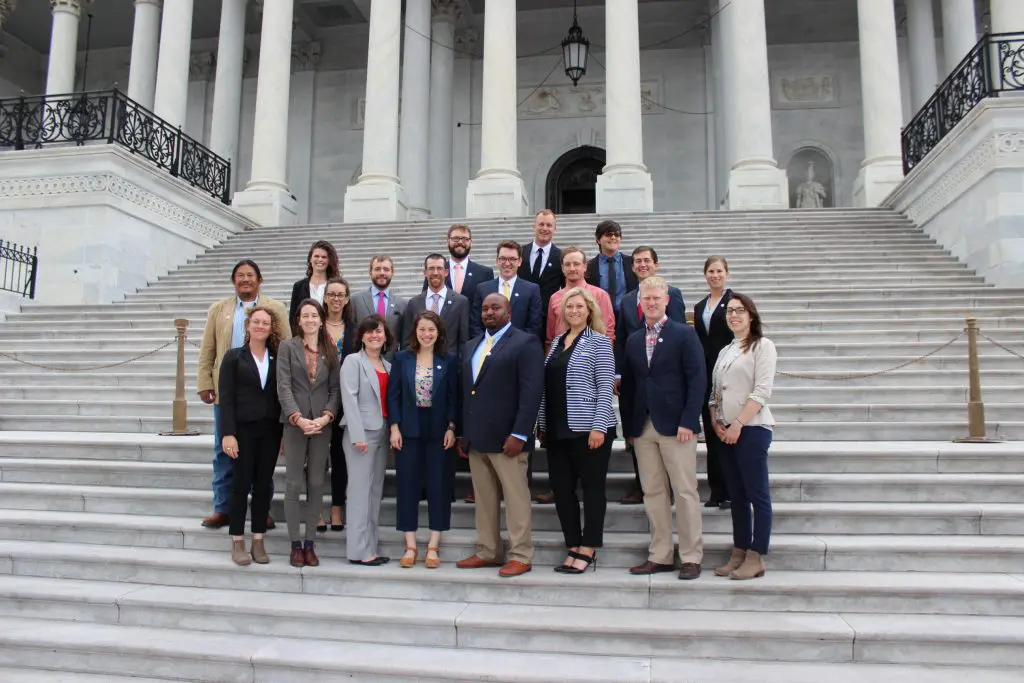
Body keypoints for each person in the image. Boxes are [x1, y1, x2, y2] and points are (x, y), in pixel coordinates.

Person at [619, 276, 706, 580]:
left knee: (684, 492)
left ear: (667, 300)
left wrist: (688, 420)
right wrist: (629, 427)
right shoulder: (632, 340)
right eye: (647, 299)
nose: (652, 303)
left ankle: (691, 556)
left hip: (676, 427)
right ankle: (660, 554)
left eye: (657, 298)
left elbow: (697, 381)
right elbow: (629, 386)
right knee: (653, 492)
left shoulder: (684, 335)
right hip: (643, 428)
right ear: (640, 303)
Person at [196, 259, 289, 530]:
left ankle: (262, 509)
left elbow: (285, 350)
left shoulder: (276, 309)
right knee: (223, 450)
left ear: (259, 280)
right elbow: (208, 348)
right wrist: (204, 381)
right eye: (240, 276)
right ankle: (223, 507)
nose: (245, 280)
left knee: (263, 455)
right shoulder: (219, 310)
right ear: (233, 281)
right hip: (228, 390)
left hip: (262, 390)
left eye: (250, 275)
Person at [456, 293, 544, 578]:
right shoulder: (472, 345)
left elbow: (531, 393)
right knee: (484, 499)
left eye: (496, 307)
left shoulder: (525, 342)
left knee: (516, 498)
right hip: (477, 438)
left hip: (509, 440)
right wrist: (463, 433)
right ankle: (488, 551)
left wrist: (520, 432)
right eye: (484, 308)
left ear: (509, 311)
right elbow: (468, 394)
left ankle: (520, 554)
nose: (489, 312)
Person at [537, 288, 616, 575]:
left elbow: (606, 387)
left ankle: (589, 545)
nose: (573, 311)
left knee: (592, 489)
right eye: (568, 307)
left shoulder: (599, 342)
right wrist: (542, 424)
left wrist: (598, 426)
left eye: (579, 306)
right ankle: (573, 543)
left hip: (589, 430)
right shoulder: (557, 341)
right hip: (558, 429)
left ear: (589, 310)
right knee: (562, 489)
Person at [709, 293, 777, 581]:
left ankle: (756, 555)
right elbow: (715, 393)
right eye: (730, 311)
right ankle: (739, 550)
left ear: (751, 315)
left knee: (756, 494)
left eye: (739, 310)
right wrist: (716, 422)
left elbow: (761, 391)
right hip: (726, 431)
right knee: (736, 495)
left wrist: (738, 423)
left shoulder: (762, 346)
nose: (734, 315)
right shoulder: (726, 350)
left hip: (752, 429)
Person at [615, 246, 687, 505]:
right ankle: (641, 484)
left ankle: (667, 485)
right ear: (632, 268)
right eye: (637, 262)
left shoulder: (672, 295)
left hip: (664, 379)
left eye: (647, 260)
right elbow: (622, 339)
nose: (642, 265)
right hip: (635, 379)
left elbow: (677, 333)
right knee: (637, 429)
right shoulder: (626, 300)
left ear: (656, 264)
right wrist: (619, 372)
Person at [388, 311, 459, 569]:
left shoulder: (449, 360)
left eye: (431, 329)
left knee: (439, 486)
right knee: (407, 485)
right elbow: (393, 395)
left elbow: (453, 396)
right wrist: (394, 427)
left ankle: (432, 545)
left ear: (438, 332)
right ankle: (410, 546)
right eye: (422, 330)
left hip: (439, 430)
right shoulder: (401, 358)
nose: (426, 334)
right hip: (408, 429)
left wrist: (452, 426)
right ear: (415, 332)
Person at [218, 305, 284, 566]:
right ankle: (237, 539)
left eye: (265, 323)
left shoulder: (276, 357)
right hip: (242, 430)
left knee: (263, 485)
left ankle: (258, 538)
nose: (260, 327)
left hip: (269, 429)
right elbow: (226, 398)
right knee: (241, 484)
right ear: (247, 326)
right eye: (256, 322)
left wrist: (281, 435)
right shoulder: (234, 357)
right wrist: (228, 434)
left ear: (271, 328)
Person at [277, 299, 341, 568]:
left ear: (321, 318)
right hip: (295, 424)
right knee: (293, 485)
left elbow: (335, 389)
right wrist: (298, 418)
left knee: (316, 484)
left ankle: (310, 543)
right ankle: (295, 544)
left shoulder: (330, 348)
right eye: (306, 315)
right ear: (299, 320)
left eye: (315, 315)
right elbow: (283, 385)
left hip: (321, 426)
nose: (310, 319)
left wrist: (327, 416)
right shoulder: (287, 347)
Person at [340, 314, 395, 566]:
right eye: (370, 331)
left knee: (375, 492)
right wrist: (357, 435)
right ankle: (358, 551)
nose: (375, 335)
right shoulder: (353, 362)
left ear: (386, 336)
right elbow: (349, 399)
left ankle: (370, 546)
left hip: (382, 432)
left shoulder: (388, 365)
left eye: (380, 331)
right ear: (361, 336)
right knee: (360, 492)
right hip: (361, 435)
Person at [694, 256, 734, 510]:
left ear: (726, 274)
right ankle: (716, 490)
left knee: (727, 432)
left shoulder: (735, 302)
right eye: (711, 271)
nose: (715, 275)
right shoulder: (700, 306)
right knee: (711, 433)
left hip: (729, 374)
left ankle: (731, 489)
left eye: (719, 271)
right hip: (707, 375)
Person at [324, 277, 358, 532]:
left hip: (346, 401)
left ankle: (337, 509)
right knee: (314, 459)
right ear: (325, 297)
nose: (336, 299)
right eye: (331, 294)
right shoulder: (313, 324)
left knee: (339, 457)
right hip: (317, 399)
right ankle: (315, 510)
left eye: (341, 295)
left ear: (347, 299)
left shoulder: (355, 330)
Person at [470, 240, 542, 339]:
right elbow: (475, 324)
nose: (507, 263)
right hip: (489, 347)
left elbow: (534, 325)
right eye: (503, 258)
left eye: (512, 259)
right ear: (497, 261)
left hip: (519, 349)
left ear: (520, 261)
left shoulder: (531, 289)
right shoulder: (482, 289)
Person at [405, 253, 470, 359]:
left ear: (446, 272)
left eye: (439, 268)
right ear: (425, 273)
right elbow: (407, 340)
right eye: (431, 269)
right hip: (420, 364)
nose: (435, 273)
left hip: (449, 366)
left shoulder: (461, 302)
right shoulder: (414, 303)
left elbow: (464, 341)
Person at [546, 247, 615, 345]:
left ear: (585, 266)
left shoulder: (600, 295)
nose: (572, 268)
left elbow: (608, 334)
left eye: (576, 264)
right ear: (562, 268)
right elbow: (550, 338)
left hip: (591, 355)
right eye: (567, 264)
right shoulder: (555, 298)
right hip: (560, 354)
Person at [518, 209, 565, 341]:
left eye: (549, 225)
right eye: (541, 224)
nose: (545, 228)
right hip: (521, 318)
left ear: (554, 229)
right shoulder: (520, 252)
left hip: (548, 320)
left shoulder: (561, 257)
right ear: (534, 226)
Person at [351, 254, 407, 354]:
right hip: (362, 360)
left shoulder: (402, 304)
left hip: (391, 363)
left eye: (386, 269)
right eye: (377, 269)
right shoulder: (355, 300)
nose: (382, 273)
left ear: (392, 273)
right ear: (370, 272)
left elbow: (404, 339)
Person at [422, 224, 494, 297]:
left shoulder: (485, 273)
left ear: (471, 242)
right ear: (448, 241)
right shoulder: (434, 271)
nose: (460, 242)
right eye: (455, 238)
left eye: (465, 239)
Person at [585, 220, 637, 316]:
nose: (613, 237)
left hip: (626, 317)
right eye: (608, 234)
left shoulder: (632, 263)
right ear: (598, 239)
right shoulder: (588, 267)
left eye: (617, 235)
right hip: (599, 318)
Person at [289, 240, 340, 330]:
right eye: (316, 256)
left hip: (330, 335)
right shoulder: (299, 286)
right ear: (310, 259)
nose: (320, 259)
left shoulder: (336, 286)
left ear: (329, 261)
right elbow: (293, 317)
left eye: (324, 257)